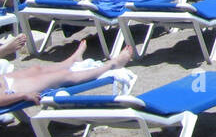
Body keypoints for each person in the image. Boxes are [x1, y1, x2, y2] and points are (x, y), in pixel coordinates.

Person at [0, 40, 135, 109]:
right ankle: (111, 65)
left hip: (4, 82)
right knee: (62, 77)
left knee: (36, 69)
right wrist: (24, 95)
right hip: (9, 92)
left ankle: (71, 61)